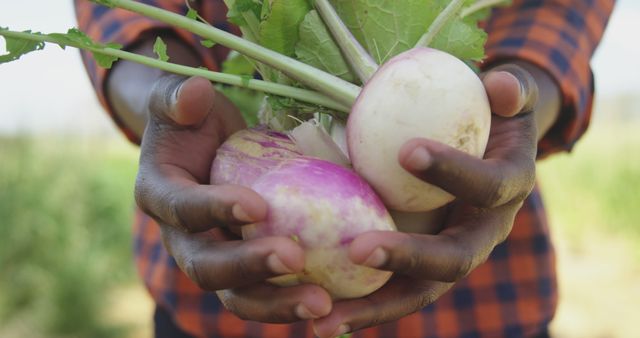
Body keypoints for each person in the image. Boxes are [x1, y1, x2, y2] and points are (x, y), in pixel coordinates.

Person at [74, 0, 614, 337]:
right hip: (216, 302)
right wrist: (167, 96)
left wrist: (521, 98)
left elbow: (557, 11)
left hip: (485, 298)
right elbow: (132, 14)